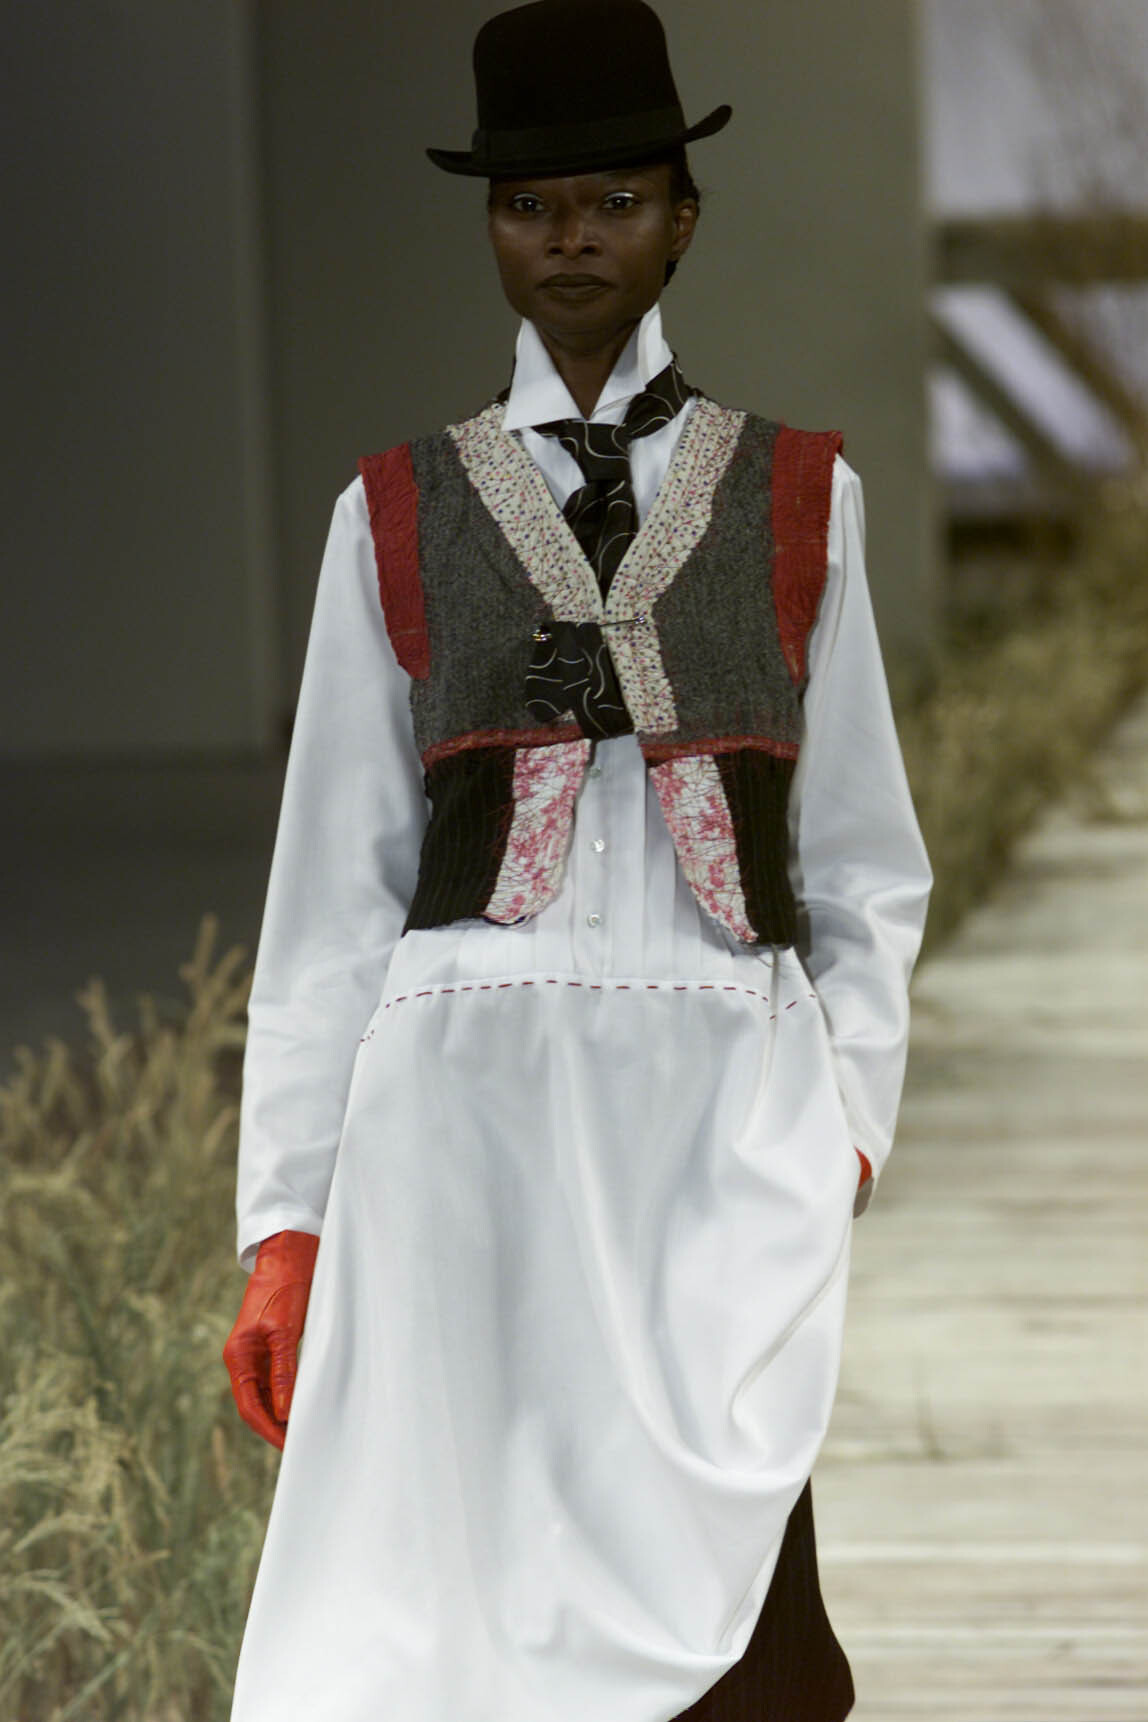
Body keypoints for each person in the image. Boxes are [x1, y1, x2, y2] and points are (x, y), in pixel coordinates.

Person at [222, 2, 932, 1718]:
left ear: (685, 215)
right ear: (490, 227)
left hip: (720, 1110)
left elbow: (860, 858)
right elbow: (332, 892)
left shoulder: (798, 496)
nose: (571, 238)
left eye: (614, 198)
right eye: (530, 204)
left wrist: (842, 1119)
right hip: (460, 1115)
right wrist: (289, 1218)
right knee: (456, 1601)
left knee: (741, 1605)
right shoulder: (394, 511)